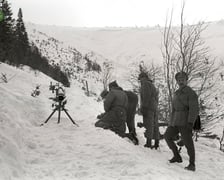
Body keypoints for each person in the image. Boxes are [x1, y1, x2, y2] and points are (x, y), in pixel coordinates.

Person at [164, 71, 199, 172]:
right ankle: (177, 156)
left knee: (188, 143)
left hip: (185, 121)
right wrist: (171, 122)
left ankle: (192, 164)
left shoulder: (191, 93)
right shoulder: (176, 93)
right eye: (179, 79)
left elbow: (194, 109)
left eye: (182, 79)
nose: (181, 81)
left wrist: (190, 122)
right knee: (167, 136)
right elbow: (174, 109)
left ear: (186, 80)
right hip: (175, 121)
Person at [138, 72, 159, 149]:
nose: (140, 81)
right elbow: (156, 98)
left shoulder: (145, 84)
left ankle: (148, 143)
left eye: (141, 79)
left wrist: (144, 107)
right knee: (155, 125)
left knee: (149, 124)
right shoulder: (152, 85)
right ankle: (156, 143)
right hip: (154, 107)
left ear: (144, 77)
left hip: (149, 107)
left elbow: (146, 96)